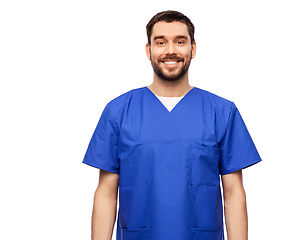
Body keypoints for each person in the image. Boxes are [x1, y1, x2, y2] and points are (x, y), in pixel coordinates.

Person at [83, 10, 261, 240]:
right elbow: (106, 193)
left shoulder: (222, 112)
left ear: (193, 49)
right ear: (148, 50)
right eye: (160, 42)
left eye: (180, 41)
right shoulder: (118, 112)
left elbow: (233, 193)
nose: (170, 50)